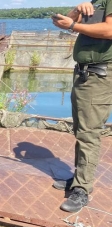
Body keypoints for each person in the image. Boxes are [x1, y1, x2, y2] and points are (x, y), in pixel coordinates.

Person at [52, 1, 112, 212]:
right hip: (84, 74)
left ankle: (82, 189)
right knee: (80, 130)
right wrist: (77, 11)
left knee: (89, 133)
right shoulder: (95, 2)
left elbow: (110, 30)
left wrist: (73, 26)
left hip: (99, 75)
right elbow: (63, 21)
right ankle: (79, 178)